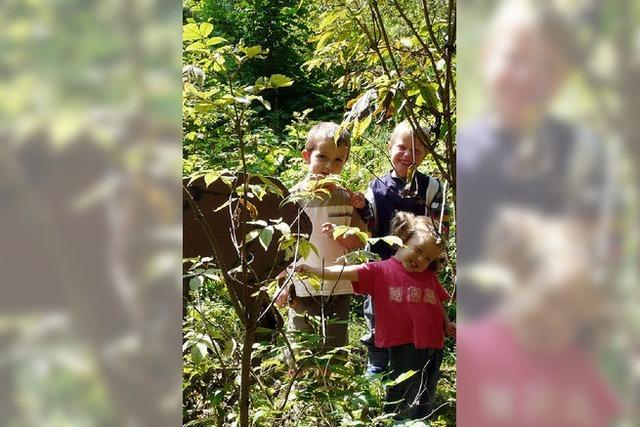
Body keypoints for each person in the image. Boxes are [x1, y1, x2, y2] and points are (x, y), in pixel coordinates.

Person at [298, 212, 455, 420]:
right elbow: (346, 270)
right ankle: (399, 422)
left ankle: (421, 421)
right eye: (418, 250)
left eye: (428, 258)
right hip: (406, 345)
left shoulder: (427, 276)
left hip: (434, 344)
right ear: (404, 239)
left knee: (427, 393)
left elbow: (437, 302)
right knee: (403, 395)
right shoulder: (381, 271)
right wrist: (316, 271)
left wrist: (447, 324)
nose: (421, 259)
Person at [357, 120, 449, 375]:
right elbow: (368, 220)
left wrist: (435, 260)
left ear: (427, 154)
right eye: (402, 147)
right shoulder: (377, 186)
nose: (408, 155)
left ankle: (411, 360)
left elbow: (443, 224)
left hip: (419, 267)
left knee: (413, 310)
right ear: (389, 147)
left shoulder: (431, 187)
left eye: (417, 150)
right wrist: (361, 208)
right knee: (376, 311)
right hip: (385, 266)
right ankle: (377, 359)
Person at [275, 122, 366, 356]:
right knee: (302, 346)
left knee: (334, 349)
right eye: (323, 156)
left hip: (338, 285)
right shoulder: (294, 198)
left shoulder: (347, 198)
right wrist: (283, 283)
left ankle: (330, 388)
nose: (329, 166)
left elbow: (359, 241)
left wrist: (343, 233)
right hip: (302, 285)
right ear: (306, 156)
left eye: (338, 160)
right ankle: (300, 388)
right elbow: (282, 244)